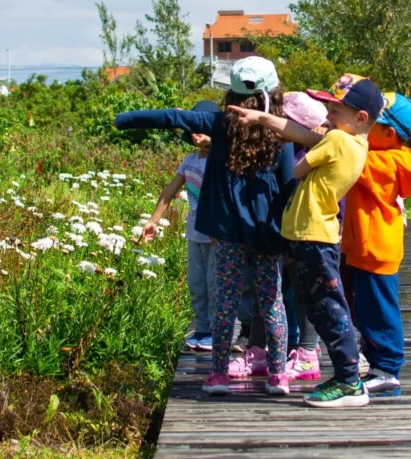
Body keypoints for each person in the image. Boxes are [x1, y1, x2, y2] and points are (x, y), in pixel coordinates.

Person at [115, 57, 294, 396]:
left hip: (227, 232)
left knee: (224, 302)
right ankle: (277, 376)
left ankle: (219, 375)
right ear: (273, 92)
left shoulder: (218, 124)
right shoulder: (281, 135)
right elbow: (289, 188)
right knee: (272, 303)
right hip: (267, 233)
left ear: (231, 94)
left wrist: (124, 120)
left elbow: (172, 116)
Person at [230, 75, 383, 408]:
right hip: (316, 235)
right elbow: (301, 134)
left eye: (336, 109)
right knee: (324, 307)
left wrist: (313, 139)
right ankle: (346, 375)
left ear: (361, 118)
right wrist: (262, 118)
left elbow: (297, 169)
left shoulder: (338, 142)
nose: (328, 114)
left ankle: (349, 381)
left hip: (314, 235)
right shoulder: (354, 143)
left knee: (329, 309)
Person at [229, 92, 330, 382]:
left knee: (305, 295)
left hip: (304, 234)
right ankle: (259, 350)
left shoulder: (309, 155)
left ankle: (308, 353)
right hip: (275, 233)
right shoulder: (274, 150)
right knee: (267, 295)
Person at [342, 90, 411, 395]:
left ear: (389, 133)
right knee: (368, 311)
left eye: (369, 122)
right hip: (364, 247)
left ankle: (389, 368)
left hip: (375, 248)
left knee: (380, 312)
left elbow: (347, 154)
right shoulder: (384, 155)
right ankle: (379, 363)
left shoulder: (387, 161)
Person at [141, 100, 219, 352]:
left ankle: (219, 331)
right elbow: (169, 192)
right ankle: (202, 328)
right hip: (194, 232)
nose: (196, 133)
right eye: (192, 129)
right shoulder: (189, 161)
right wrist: (153, 221)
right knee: (196, 283)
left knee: (215, 283)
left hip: (218, 234)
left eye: (202, 127)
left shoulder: (223, 159)